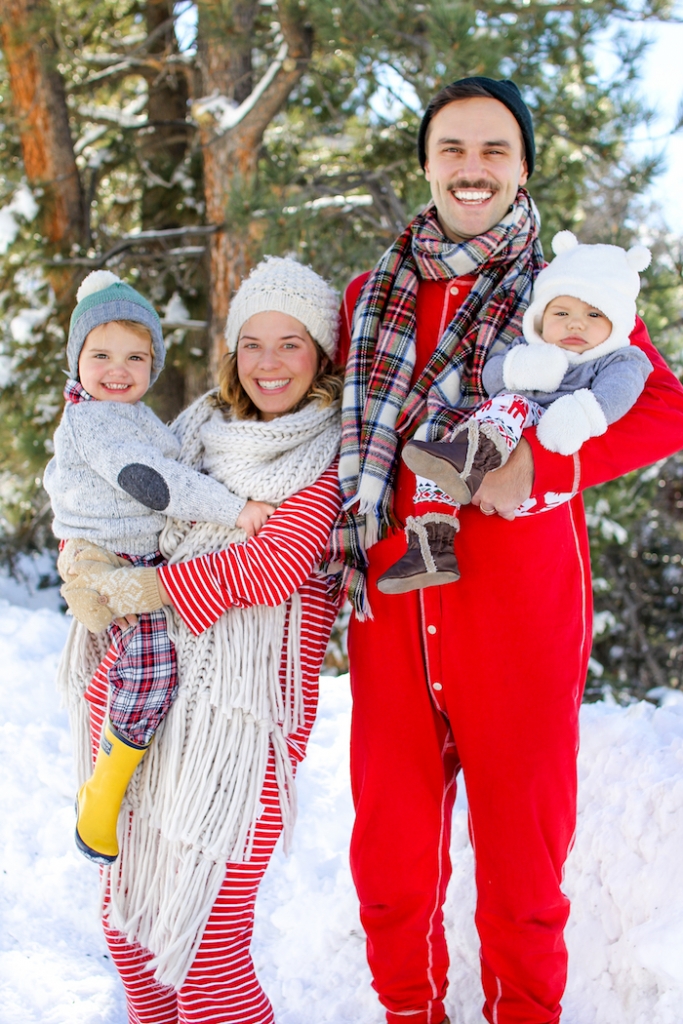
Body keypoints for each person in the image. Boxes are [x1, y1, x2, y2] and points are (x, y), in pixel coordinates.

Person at [326, 77, 683, 1024]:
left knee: (524, 876)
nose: (472, 168)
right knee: (390, 866)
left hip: (516, 611)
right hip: (394, 602)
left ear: (523, 166)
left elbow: (658, 402)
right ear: (427, 164)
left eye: (494, 150)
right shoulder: (369, 296)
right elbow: (301, 417)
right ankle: (411, 1012)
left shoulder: (568, 292)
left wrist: (542, 467)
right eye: (452, 149)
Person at [56, 255, 343, 1024]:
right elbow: (113, 504)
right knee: (132, 940)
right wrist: (82, 557)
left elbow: (274, 565)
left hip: (235, 730)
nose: (269, 362)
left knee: (207, 960)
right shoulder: (192, 430)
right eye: (253, 342)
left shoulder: (325, 458)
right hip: (136, 696)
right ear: (231, 351)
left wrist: (144, 590)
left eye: (291, 343)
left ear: (320, 354)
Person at [44, 269, 275, 865]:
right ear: (77, 361)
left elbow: (170, 457)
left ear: (153, 363)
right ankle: (102, 793)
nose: (117, 370)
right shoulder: (95, 420)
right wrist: (236, 509)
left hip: (130, 552)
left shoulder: (134, 417)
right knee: (151, 666)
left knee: (149, 660)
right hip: (108, 559)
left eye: (135, 356)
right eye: (100, 354)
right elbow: (152, 482)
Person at [378, 230, 654, 592]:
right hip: (493, 452)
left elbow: (619, 395)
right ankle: (431, 547)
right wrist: (522, 367)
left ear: (617, 322)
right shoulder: (531, 346)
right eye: (561, 312)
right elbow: (493, 376)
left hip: (543, 455)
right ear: (541, 316)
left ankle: (470, 458)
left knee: (513, 403)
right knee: (435, 459)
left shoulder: (621, 357)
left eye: (594, 313)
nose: (575, 323)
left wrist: (580, 415)